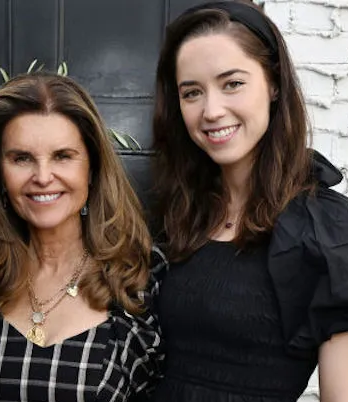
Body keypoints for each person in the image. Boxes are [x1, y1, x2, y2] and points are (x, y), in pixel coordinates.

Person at [151, 1, 348, 401]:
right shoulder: (175, 211)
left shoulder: (327, 230)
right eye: (192, 92)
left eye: (232, 84)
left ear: (274, 83)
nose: (212, 110)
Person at [0, 71, 165, 401]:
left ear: (92, 168)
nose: (43, 177)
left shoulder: (140, 276)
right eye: (21, 158)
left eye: (62, 156)